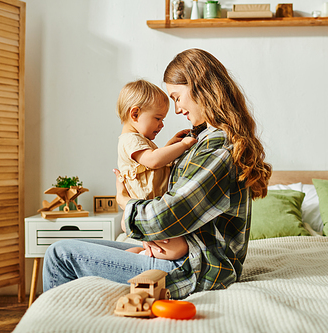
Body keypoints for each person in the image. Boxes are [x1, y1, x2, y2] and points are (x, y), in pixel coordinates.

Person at [43, 48, 272, 300]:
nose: (177, 110)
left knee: (60, 254)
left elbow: (165, 215)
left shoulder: (218, 149)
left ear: (199, 87)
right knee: (75, 249)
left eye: (176, 97)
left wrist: (125, 203)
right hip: (182, 251)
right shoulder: (203, 139)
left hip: (197, 268)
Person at [116, 79, 196, 260]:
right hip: (147, 210)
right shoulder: (130, 140)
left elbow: (153, 161)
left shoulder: (139, 141)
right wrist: (183, 145)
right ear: (135, 114)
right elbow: (153, 161)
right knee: (177, 249)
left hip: (151, 208)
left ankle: (140, 253)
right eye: (158, 118)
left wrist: (170, 144)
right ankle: (132, 259)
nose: (162, 125)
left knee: (176, 247)